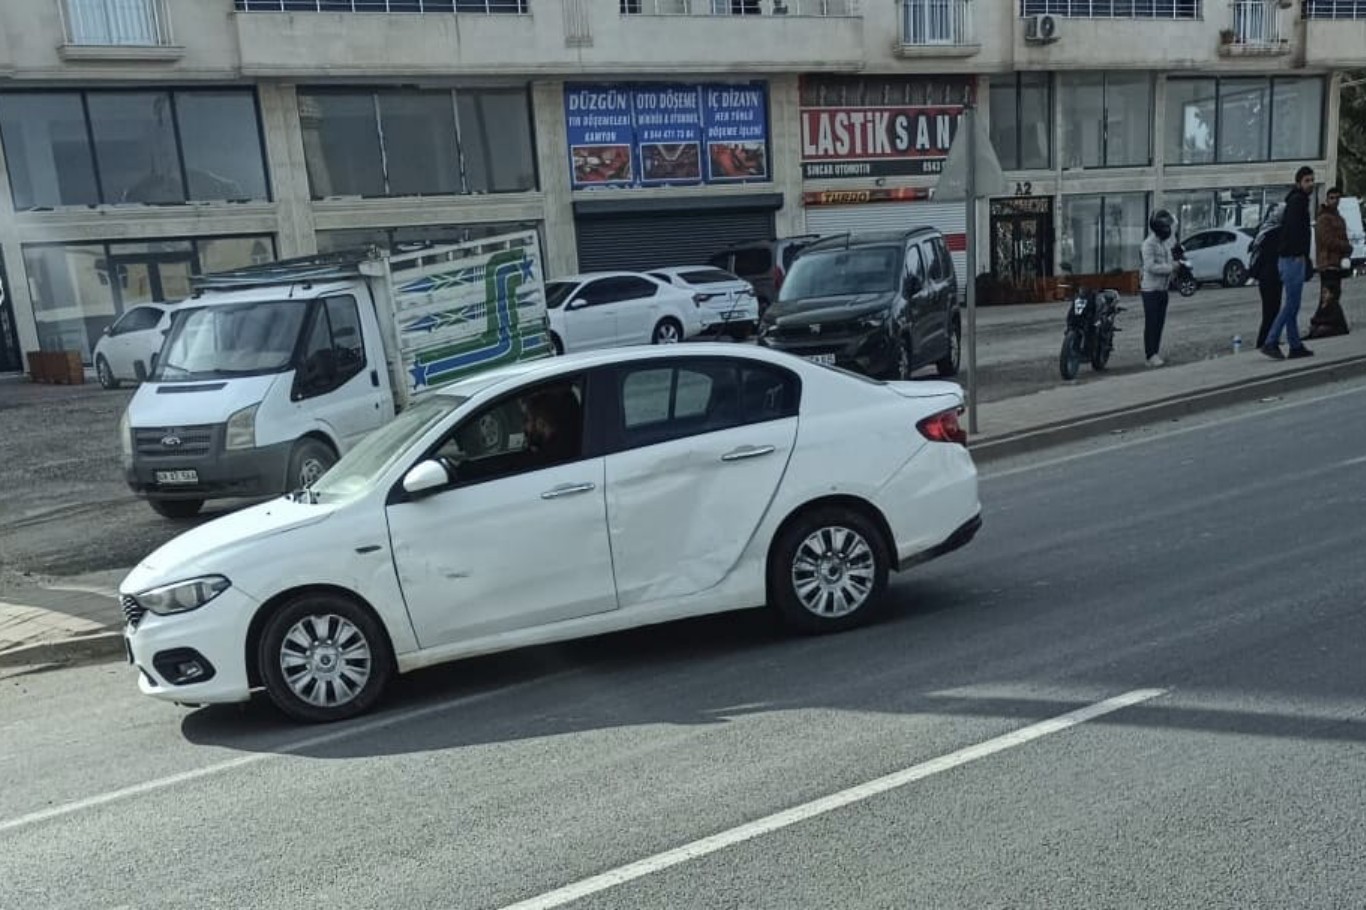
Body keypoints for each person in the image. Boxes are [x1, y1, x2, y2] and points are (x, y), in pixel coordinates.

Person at [1261, 166, 1316, 360]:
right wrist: (1299, 254)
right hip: (1292, 259)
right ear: (1299, 182)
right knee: (1291, 305)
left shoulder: (1296, 201)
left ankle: (1295, 345)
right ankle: (1271, 340)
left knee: (1293, 304)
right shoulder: (1297, 202)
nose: (1311, 183)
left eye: (1312, 180)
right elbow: (1294, 232)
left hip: (1291, 259)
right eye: (1307, 180)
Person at [1307, 185, 1352, 339]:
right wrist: (1344, 246)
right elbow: (1327, 240)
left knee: (1331, 295)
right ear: (1327, 199)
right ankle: (1325, 324)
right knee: (1329, 296)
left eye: (1337, 198)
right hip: (1327, 263)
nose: (1335, 201)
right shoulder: (1324, 218)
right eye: (1332, 198)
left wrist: (1347, 251)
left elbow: (1343, 238)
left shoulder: (1339, 218)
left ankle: (1322, 325)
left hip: (1337, 263)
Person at [1139, 209, 1178, 368]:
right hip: (1150, 290)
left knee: (1160, 323)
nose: (1169, 230)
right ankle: (1150, 354)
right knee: (1152, 323)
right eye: (1166, 227)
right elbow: (1150, 267)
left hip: (1163, 289)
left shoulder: (1164, 244)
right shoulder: (1148, 245)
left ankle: (1156, 351)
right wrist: (1171, 268)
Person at [1248, 202, 1285, 350]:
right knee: (1272, 311)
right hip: (1271, 275)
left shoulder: (1264, 230)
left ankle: (1268, 340)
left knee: (1270, 311)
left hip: (1265, 276)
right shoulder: (1275, 232)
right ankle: (1265, 341)